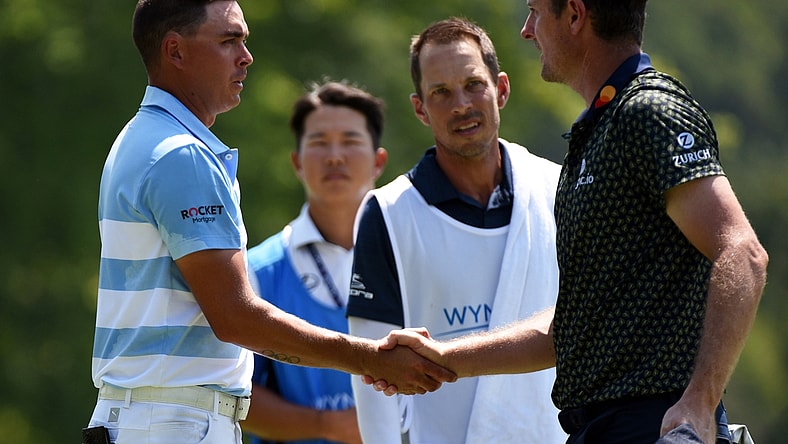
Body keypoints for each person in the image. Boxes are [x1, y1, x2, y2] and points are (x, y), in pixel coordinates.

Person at [376, 1, 769, 443]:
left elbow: (743, 253)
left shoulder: (649, 110)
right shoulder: (600, 130)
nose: (527, 30)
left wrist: (700, 401)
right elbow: (569, 327)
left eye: (536, 12)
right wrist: (445, 356)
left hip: (655, 425)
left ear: (576, 15)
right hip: (601, 427)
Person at [87, 2, 454, 443]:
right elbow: (236, 318)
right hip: (172, 422)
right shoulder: (181, 154)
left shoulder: (144, 138)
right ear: (175, 51)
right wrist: (370, 359)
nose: (246, 56)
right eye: (228, 41)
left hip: (157, 417)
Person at [347, 17, 566, 444]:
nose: (461, 105)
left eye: (473, 85)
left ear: (501, 89)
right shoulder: (387, 214)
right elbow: (372, 375)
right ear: (420, 108)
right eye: (441, 93)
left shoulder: (559, 187)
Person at [244, 81, 388, 444]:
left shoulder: (411, 258)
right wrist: (328, 426)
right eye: (319, 143)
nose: (335, 156)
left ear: (378, 161)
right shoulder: (256, 272)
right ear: (296, 162)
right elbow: (235, 393)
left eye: (351, 141)